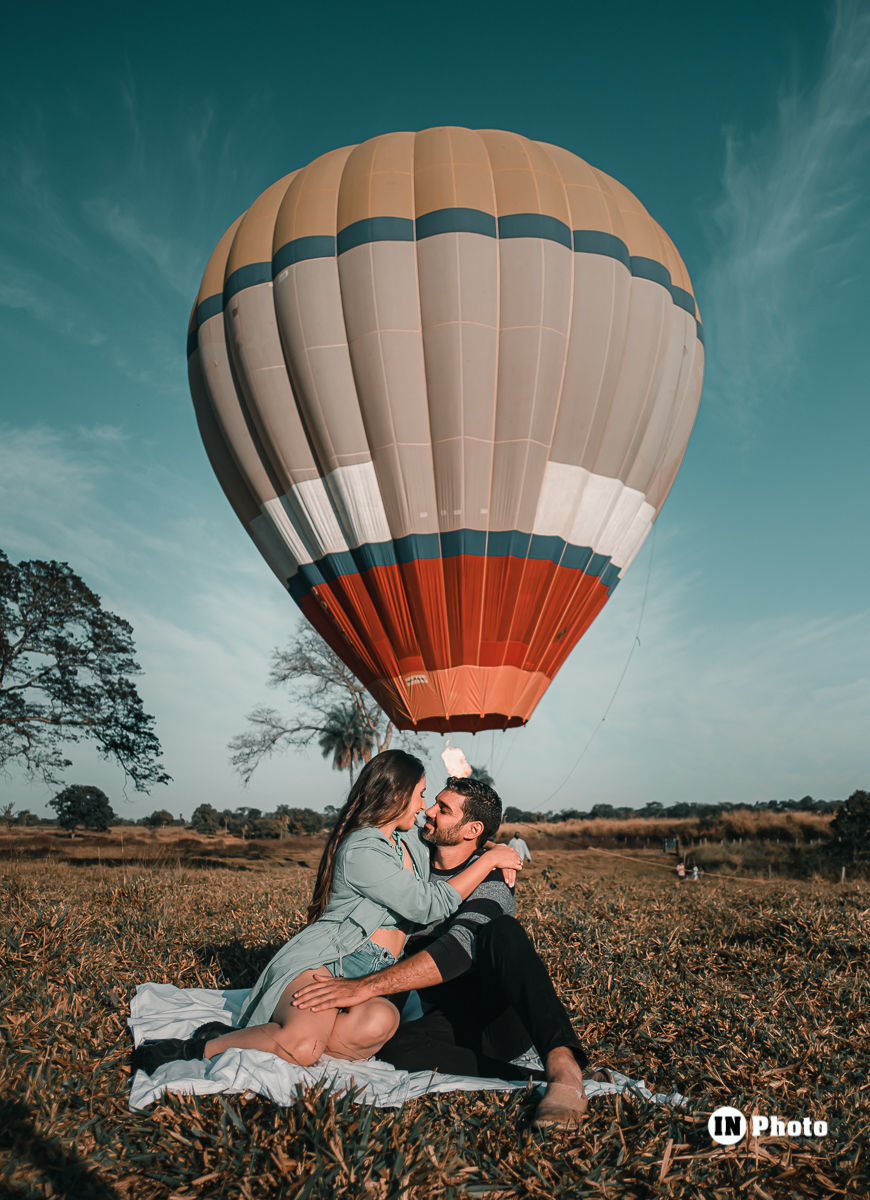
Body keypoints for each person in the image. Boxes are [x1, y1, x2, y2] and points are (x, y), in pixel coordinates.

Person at [133, 751, 524, 1076]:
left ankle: (283, 1034)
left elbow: (454, 834)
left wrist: (488, 843)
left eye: (431, 801)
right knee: (304, 1047)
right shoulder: (363, 848)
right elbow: (426, 904)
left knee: (379, 1025)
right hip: (330, 961)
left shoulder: (412, 840)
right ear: (397, 795)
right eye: (422, 796)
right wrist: (488, 860)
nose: (425, 810)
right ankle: (202, 1045)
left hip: (374, 973)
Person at [292, 776, 590, 1129]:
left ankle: (564, 1070)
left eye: (443, 809)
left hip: (497, 1017)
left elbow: (457, 949)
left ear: (471, 829)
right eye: (432, 802)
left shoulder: (493, 881)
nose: (427, 812)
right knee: (394, 1047)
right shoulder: (413, 857)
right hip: (445, 1015)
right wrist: (494, 846)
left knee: (502, 932)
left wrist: (363, 987)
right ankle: (529, 1078)